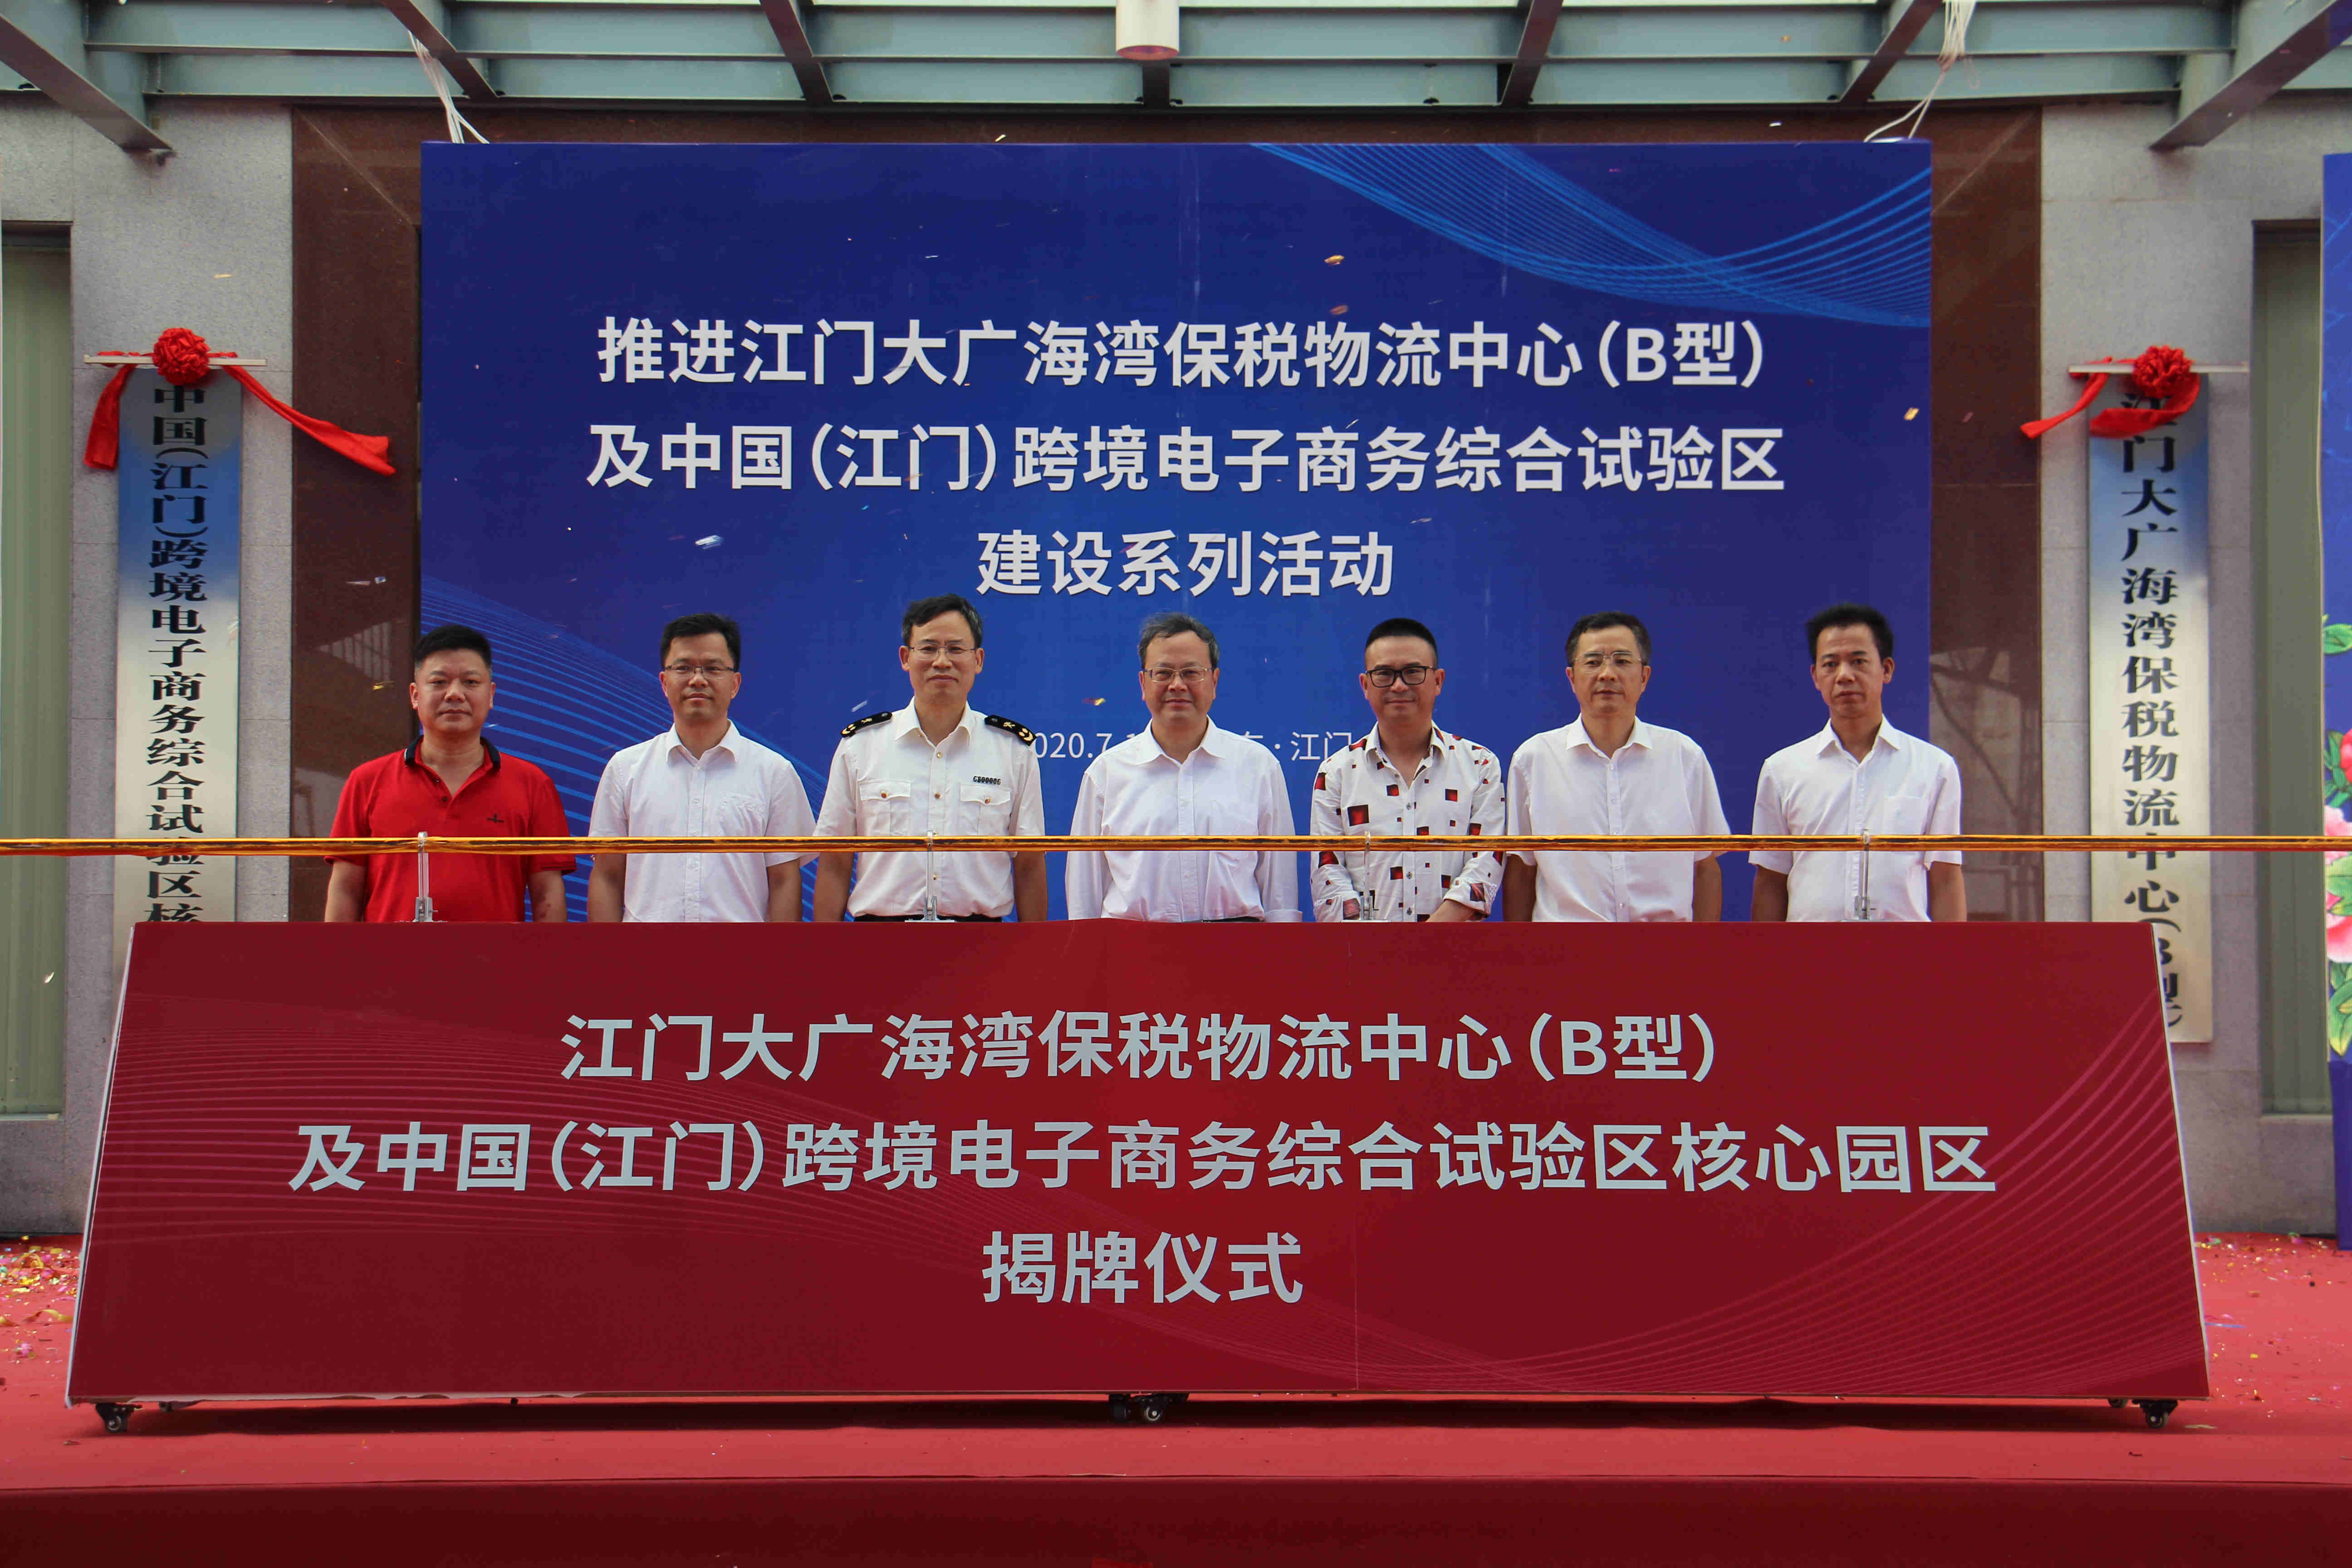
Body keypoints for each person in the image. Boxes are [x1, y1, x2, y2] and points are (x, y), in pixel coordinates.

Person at [814, 593, 1046, 921]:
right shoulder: (861, 746)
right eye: (928, 648)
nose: (941, 661)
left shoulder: (1012, 750)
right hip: (878, 941)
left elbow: (1030, 862)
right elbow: (835, 860)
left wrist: (1035, 949)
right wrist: (826, 948)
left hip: (985, 942)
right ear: (905, 658)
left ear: (978, 660)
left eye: (955, 649)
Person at [324, 624, 574, 921]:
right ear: (415, 695)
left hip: (497, 953)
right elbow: (345, 890)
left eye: (470, 682)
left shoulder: (533, 784)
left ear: (491, 694)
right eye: (439, 682)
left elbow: (547, 896)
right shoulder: (367, 781)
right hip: (390, 952)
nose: (455, 694)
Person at [1067, 611, 1298, 922]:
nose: (1177, 685)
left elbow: (1279, 887)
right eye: (1163, 673)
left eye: (1191, 673)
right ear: (1143, 683)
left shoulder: (1258, 766)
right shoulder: (1106, 773)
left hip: (1237, 945)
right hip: (1131, 946)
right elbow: (1084, 893)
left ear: (1214, 681)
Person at [587, 612, 814, 923]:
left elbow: (784, 881)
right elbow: (607, 876)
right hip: (645, 951)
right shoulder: (625, 769)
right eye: (683, 668)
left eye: (713, 669)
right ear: (664, 682)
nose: (697, 680)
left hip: (742, 952)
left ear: (735, 684)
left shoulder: (775, 772)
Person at [1502, 611, 1728, 923]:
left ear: (1644, 677)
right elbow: (1522, 870)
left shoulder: (1684, 756)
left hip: (1666, 947)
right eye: (1593, 662)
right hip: (1564, 948)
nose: (1607, 674)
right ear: (1571, 678)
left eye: (1622, 661)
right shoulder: (1534, 759)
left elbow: (1705, 866)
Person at [1751, 603, 1966, 922]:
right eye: (1830, 664)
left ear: (1887, 670)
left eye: (1859, 661)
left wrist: (1954, 954)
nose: (1844, 676)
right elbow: (1771, 879)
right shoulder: (1782, 770)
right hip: (1809, 949)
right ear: (1816, 676)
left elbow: (1945, 876)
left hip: (1904, 948)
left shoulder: (1935, 768)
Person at [1310, 616, 1504, 922]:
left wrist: (1426, 940)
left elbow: (1485, 865)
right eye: (1384, 674)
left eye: (1413, 672)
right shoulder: (1337, 772)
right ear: (1365, 685)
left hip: (1458, 947)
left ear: (1438, 681)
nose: (1399, 685)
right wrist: (1378, 947)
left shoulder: (1480, 765)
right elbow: (1328, 874)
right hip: (1361, 950)